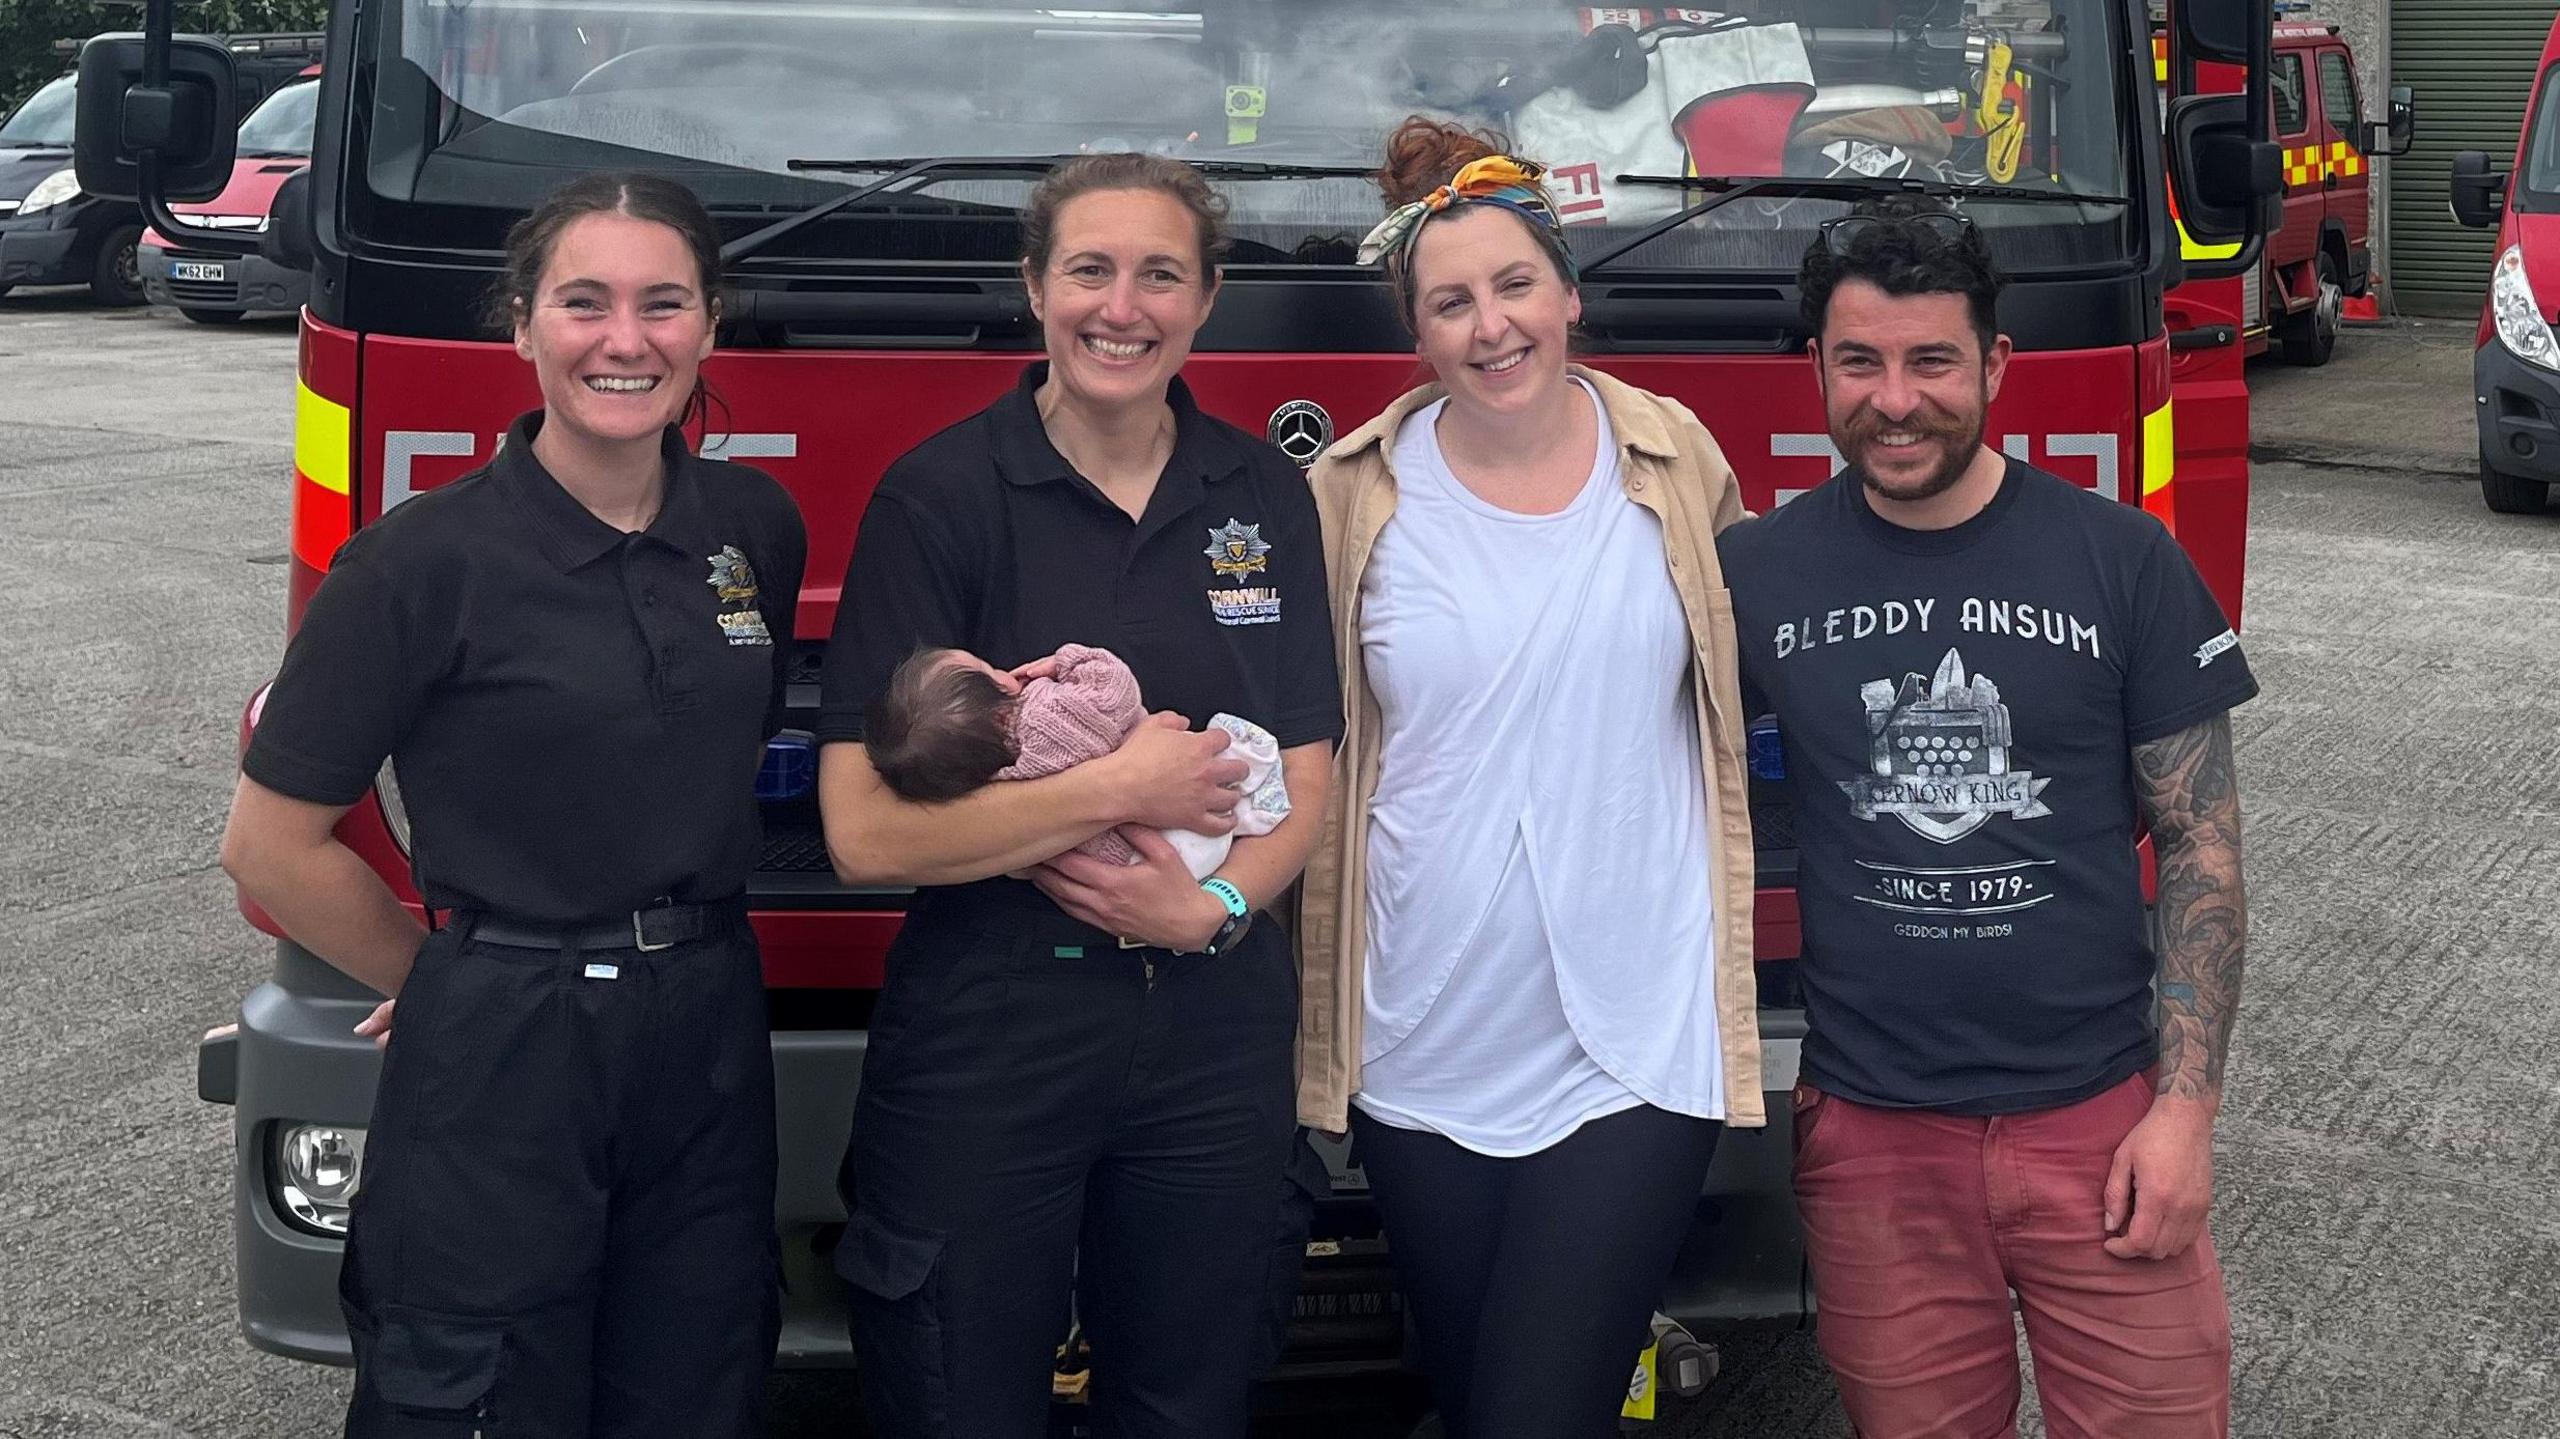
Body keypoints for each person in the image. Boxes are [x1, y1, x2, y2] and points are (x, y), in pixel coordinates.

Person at [218, 172, 806, 1437]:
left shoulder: (750, 526)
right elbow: (268, 842)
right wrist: (453, 980)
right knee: (475, 1390)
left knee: (699, 1374)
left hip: (707, 1019)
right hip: (502, 1047)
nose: (625, 340)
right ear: (523, 325)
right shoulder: (419, 561)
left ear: (709, 325)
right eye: (583, 303)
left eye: (663, 304)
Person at [813, 152, 1342, 1439]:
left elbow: (1312, 774)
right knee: (956, 1399)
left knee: (1188, 1401)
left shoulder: (1263, 493)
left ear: (1206, 297)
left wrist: (1208, 907)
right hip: (996, 1025)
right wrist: (1119, 783)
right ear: (1035, 286)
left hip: (1213, 1033)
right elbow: (863, 831)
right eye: (1090, 270)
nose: (1124, 306)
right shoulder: (940, 496)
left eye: (1160, 273)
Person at [1716, 200, 2254, 1437]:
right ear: (1817, 368)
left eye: (1930, 361)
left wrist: (2183, 1114)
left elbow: (2199, 848)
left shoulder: (2123, 559)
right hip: (1871, 1144)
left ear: (1995, 364)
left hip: (2099, 1118)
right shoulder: (1757, 576)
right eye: (1859, 361)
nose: (1894, 400)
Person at [1294, 117, 1766, 1439]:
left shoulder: (1676, 459)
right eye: (1451, 302)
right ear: (1418, 328)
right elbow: (1296, 740)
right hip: (1419, 1034)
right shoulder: (1350, 492)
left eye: (1514, 287)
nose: (1490, 326)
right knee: (1473, 1380)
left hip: (1635, 1031)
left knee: (1534, 1408)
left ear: (1569, 293)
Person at [862, 642, 1290, 876]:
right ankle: (1255, 806)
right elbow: (1117, 690)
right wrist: (1069, 661)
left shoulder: (988, 781)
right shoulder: (1048, 712)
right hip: (1185, 836)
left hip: (1128, 867)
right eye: (983, 667)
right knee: (1230, 738)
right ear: (999, 707)